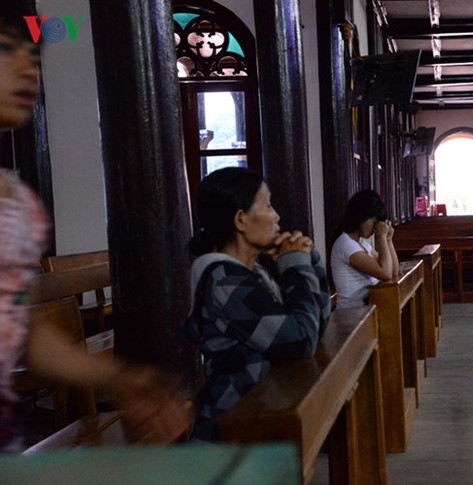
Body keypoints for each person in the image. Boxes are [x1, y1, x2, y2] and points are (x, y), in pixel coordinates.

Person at [0, 8, 188, 451]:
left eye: (33, 53)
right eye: (7, 50)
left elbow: (19, 326)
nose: (29, 66)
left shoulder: (17, 204)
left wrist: (116, 375)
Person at [185, 167, 331, 441]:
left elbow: (316, 325)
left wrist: (310, 261)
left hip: (262, 412)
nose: (277, 217)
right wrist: (296, 267)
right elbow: (300, 341)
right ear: (241, 220)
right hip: (231, 428)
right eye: (268, 205)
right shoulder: (222, 279)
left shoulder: (253, 272)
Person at [330, 190, 399, 309]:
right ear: (362, 217)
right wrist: (380, 237)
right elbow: (385, 273)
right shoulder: (345, 244)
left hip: (366, 308)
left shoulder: (362, 243)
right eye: (374, 222)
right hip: (352, 314)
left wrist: (388, 240)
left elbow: (393, 271)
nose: (375, 228)